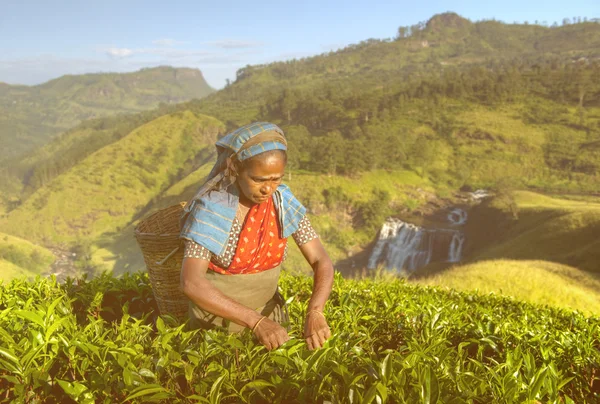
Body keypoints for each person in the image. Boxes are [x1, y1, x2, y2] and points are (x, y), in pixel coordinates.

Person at [179, 122, 334, 351]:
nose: (267, 189)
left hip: (272, 323)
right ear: (235, 168)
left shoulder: (283, 202)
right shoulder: (212, 209)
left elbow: (321, 261)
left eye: (276, 179)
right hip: (215, 329)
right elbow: (191, 283)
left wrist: (315, 311)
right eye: (258, 179)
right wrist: (255, 321)